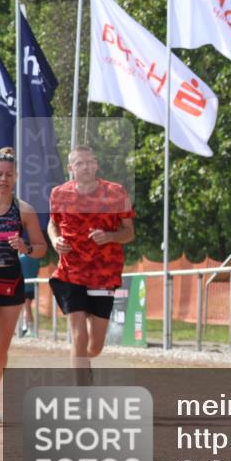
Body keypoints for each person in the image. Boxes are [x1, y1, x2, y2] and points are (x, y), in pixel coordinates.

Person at [47, 146, 134, 372]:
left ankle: (82, 365)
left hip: (103, 274)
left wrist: (110, 236)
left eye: (90, 162)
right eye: (79, 163)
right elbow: (53, 224)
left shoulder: (116, 193)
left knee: (94, 347)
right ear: (71, 168)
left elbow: (129, 233)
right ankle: (80, 397)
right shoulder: (59, 194)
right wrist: (55, 240)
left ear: (96, 164)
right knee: (79, 335)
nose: (85, 167)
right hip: (70, 272)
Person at [0, 148, 48, 424]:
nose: (3, 179)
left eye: (8, 175)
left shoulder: (24, 211)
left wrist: (25, 247)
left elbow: (41, 249)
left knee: (2, 349)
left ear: (16, 177)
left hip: (11, 281)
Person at [18, 252, 41, 337]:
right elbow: (38, 271)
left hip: (23, 287)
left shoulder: (20, 259)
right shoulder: (36, 259)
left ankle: (31, 329)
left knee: (27, 308)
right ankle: (25, 327)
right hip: (33, 287)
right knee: (27, 307)